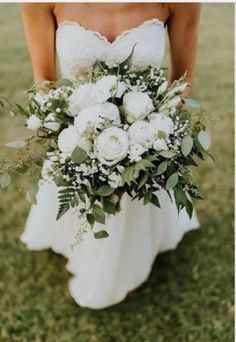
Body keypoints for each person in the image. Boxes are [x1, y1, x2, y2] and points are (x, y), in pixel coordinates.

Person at [20, 3, 201, 309]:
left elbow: (181, 82)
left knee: (133, 200)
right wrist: (76, 141)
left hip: (144, 137)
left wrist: (147, 143)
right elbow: (45, 82)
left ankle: (128, 263)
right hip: (78, 137)